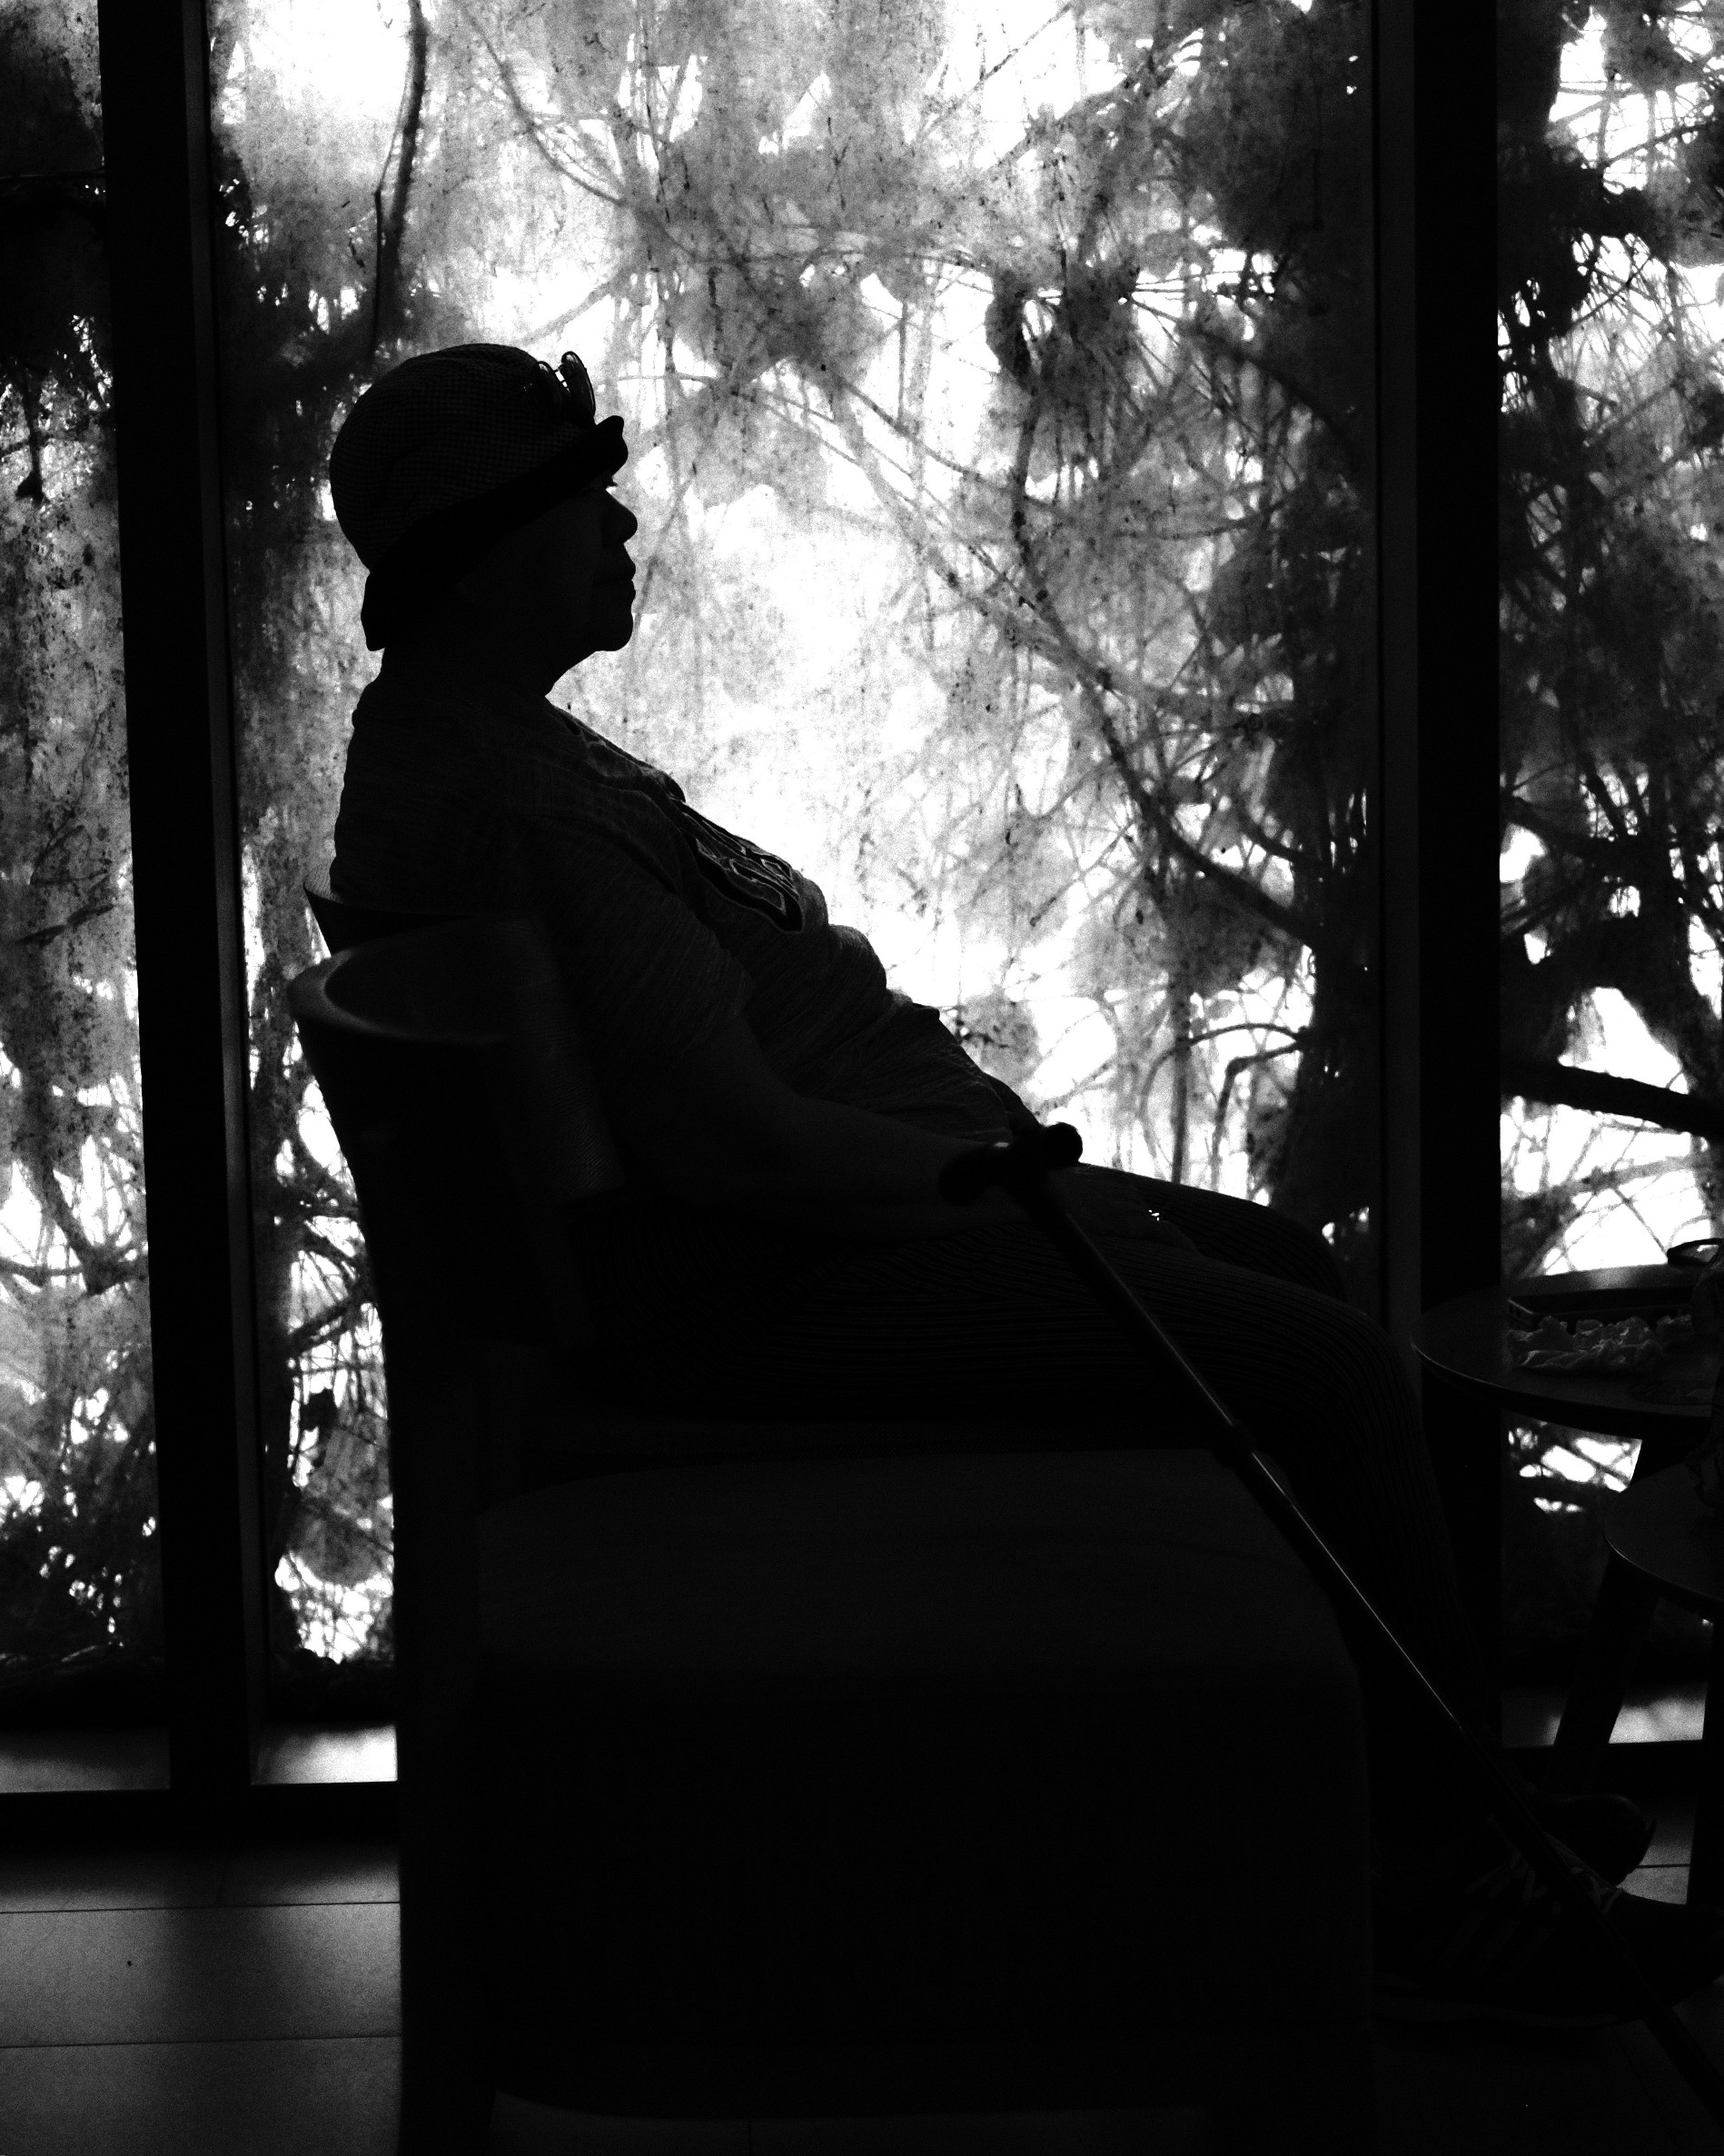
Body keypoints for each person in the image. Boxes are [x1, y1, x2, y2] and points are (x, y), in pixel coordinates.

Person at [327, 341, 1724, 2027]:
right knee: (1329, 1368)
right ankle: (1438, 1875)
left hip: (817, 1241)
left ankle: (1406, 1812)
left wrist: (1002, 1181)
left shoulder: (485, 755)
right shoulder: (513, 808)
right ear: (484, 553)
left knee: (1283, 1266)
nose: (621, 523)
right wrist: (1010, 1193)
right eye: (580, 496)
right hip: (788, 1281)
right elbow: (740, 1148)